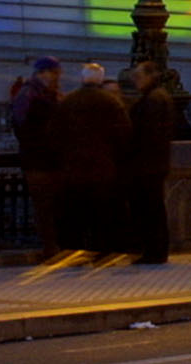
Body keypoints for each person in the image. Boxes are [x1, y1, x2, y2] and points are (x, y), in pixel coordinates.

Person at [53, 63, 130, 255]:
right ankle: (101, 249)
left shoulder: (68, 101)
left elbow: (55, 133)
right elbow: (123, 134)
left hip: (73, 167)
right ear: (101, 80)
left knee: (74, 213)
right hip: (103, 167)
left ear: (82, 78)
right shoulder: (111, 103)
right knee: (101, 213)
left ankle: (73, 249)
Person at [10, 57, 65, 257]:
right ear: (42, 73)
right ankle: (51, 247)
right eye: (55, 73)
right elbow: (23, 126)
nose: (58, 77)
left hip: (45, 158)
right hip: (39, 159)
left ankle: (54, 245)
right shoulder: (30, 95)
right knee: (44, 206)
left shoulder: (39, 94)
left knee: (50, 205)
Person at [124, 60, 177, 264]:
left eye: (138, 76)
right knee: (153, 208)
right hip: (154, 163)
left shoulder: (152, 100)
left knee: (149, 209)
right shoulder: (159, 97)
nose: (135, 81)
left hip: (146, 165)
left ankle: (153, 250)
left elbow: (146, 133)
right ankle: (155, 249)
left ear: (150, 76)